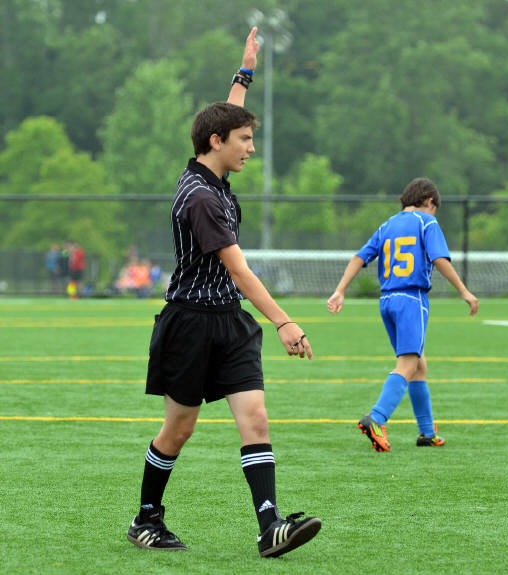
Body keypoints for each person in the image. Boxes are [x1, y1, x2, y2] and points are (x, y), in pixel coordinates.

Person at [126, 27, 321, 558]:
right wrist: (284, 321)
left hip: (229, 325)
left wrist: (245, 71)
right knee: (178, 430)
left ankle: (270, 526)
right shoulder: (201, 199)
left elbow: (225, 116)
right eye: (245, 140)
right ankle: (146, 519)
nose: (251, 149)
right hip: (189, 324)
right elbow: (239, 272)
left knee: (255, 418)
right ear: (216, 142)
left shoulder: (209, 172)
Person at [327, 177, 479, 453]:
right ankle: (376, 418)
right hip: (411, 299)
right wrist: (464, 291)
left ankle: (427, 433)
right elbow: (439, 259)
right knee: (408, 364)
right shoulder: (427, 222)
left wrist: (340, 290)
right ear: (430, 201)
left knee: (418, 365)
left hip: (387, 300)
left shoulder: (387, 225)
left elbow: (359, 258)